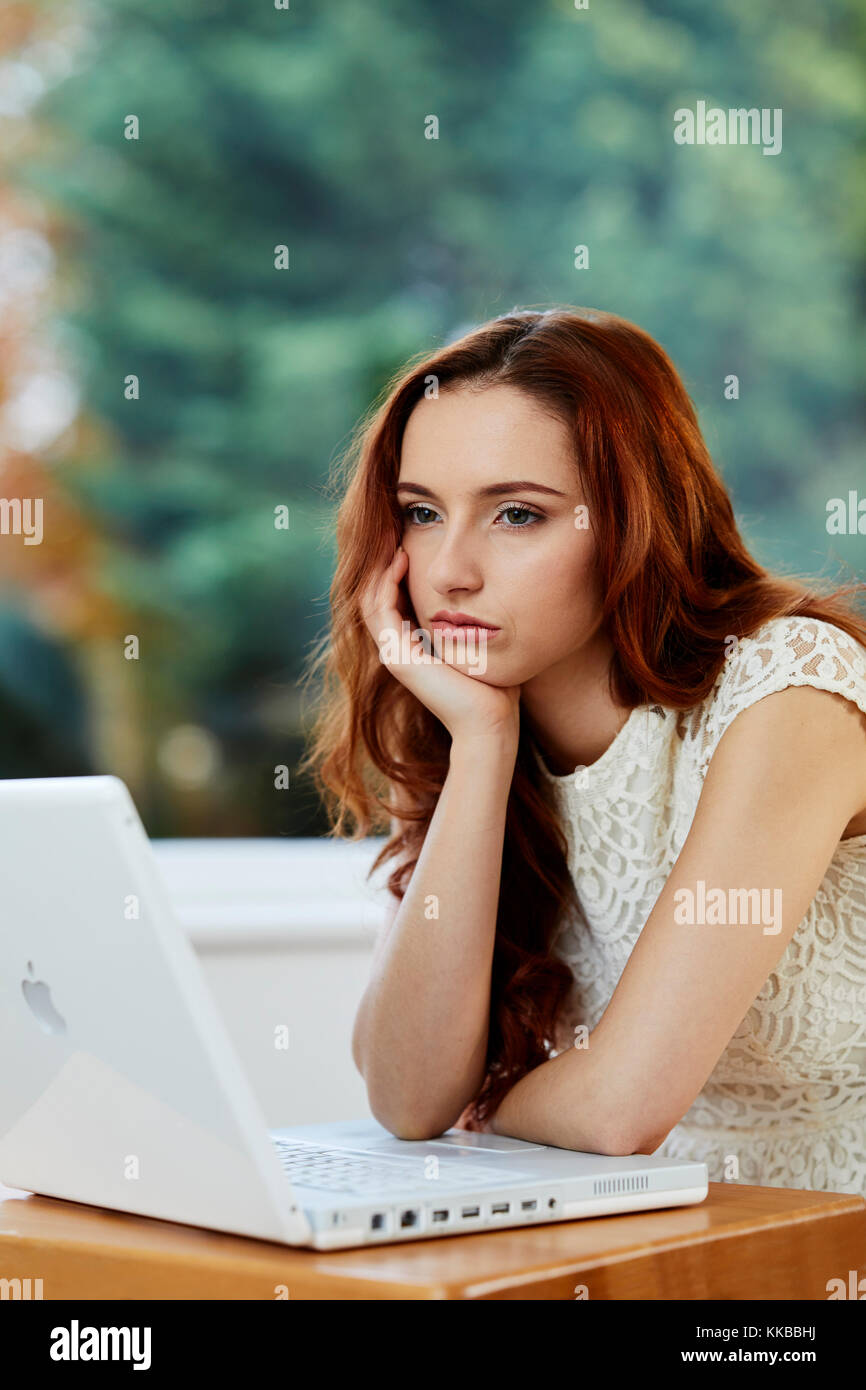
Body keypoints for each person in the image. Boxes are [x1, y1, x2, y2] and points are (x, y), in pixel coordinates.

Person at [298, 306, 866, 1194]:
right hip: (657, 1243)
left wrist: (489, 1108)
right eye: (420, 513)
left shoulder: (791, 690)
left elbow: (618, 1109)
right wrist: (483, 747)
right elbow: (408, 1097)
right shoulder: (478, 719)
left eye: (516, 514)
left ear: (634, 517)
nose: (450, 570)